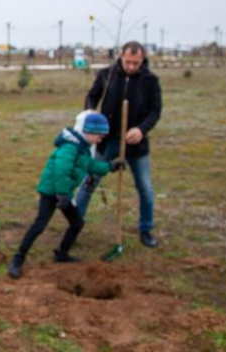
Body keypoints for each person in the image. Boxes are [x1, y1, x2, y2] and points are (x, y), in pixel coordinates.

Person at [9, 111, 125, 279]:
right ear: (90, 132)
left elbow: (89, 166)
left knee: (77, 222)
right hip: (51, 191)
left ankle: (62, 254)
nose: (101, 140)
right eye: (100, 136)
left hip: (64, 192)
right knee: (40, 225)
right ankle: (17, 260)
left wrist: (110, 166)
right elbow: (61, 171)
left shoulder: (83, 147)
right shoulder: (71, 147)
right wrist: (62, 194)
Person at [74, 41, 162, 248]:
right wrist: (91, 112)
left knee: (145, 188)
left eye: (136, 63)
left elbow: (155, 111)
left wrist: (141, 129)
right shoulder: (107, 74)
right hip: (107, 140)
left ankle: (146, 229)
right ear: (121, 56)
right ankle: (74, 227)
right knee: (89, 182)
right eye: (128, 62)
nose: (131, 66)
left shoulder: (150, 81)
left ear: (142, 59)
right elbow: (92, 97)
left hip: (136, 144)